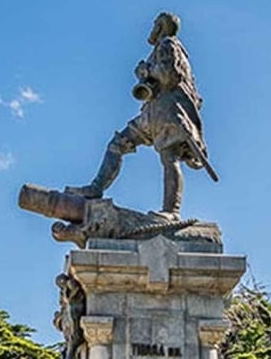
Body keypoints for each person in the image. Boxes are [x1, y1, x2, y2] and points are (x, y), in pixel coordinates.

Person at [66, 11, 214, 218]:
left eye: (155, 25)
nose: (152, 29)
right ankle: (96, 188)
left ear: (161, 27)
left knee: (169, 157)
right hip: (152, 113)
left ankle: (172, 211)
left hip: (167, 112)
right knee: (118, 144)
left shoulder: (168, 45)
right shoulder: (162, 49)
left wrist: (145, 71)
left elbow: (169, 76)